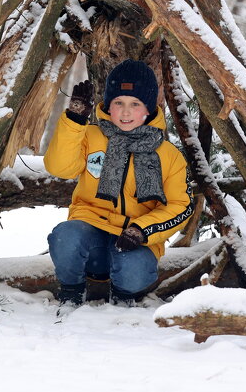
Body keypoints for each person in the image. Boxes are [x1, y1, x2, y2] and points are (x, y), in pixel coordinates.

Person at [44, 59, 194, 308]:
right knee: (65, 236)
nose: (125, 112)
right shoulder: (90, 135)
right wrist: (73, 122)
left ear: (148, 108)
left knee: (134, 269)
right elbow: (59, 167)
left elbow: (180, 206)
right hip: (90, 230)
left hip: (133, 239)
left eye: (135, 104)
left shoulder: (168, 155)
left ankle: (124, 297)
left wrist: (142, 230)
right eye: (119, 103)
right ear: (108, 106)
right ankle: (71, 292)